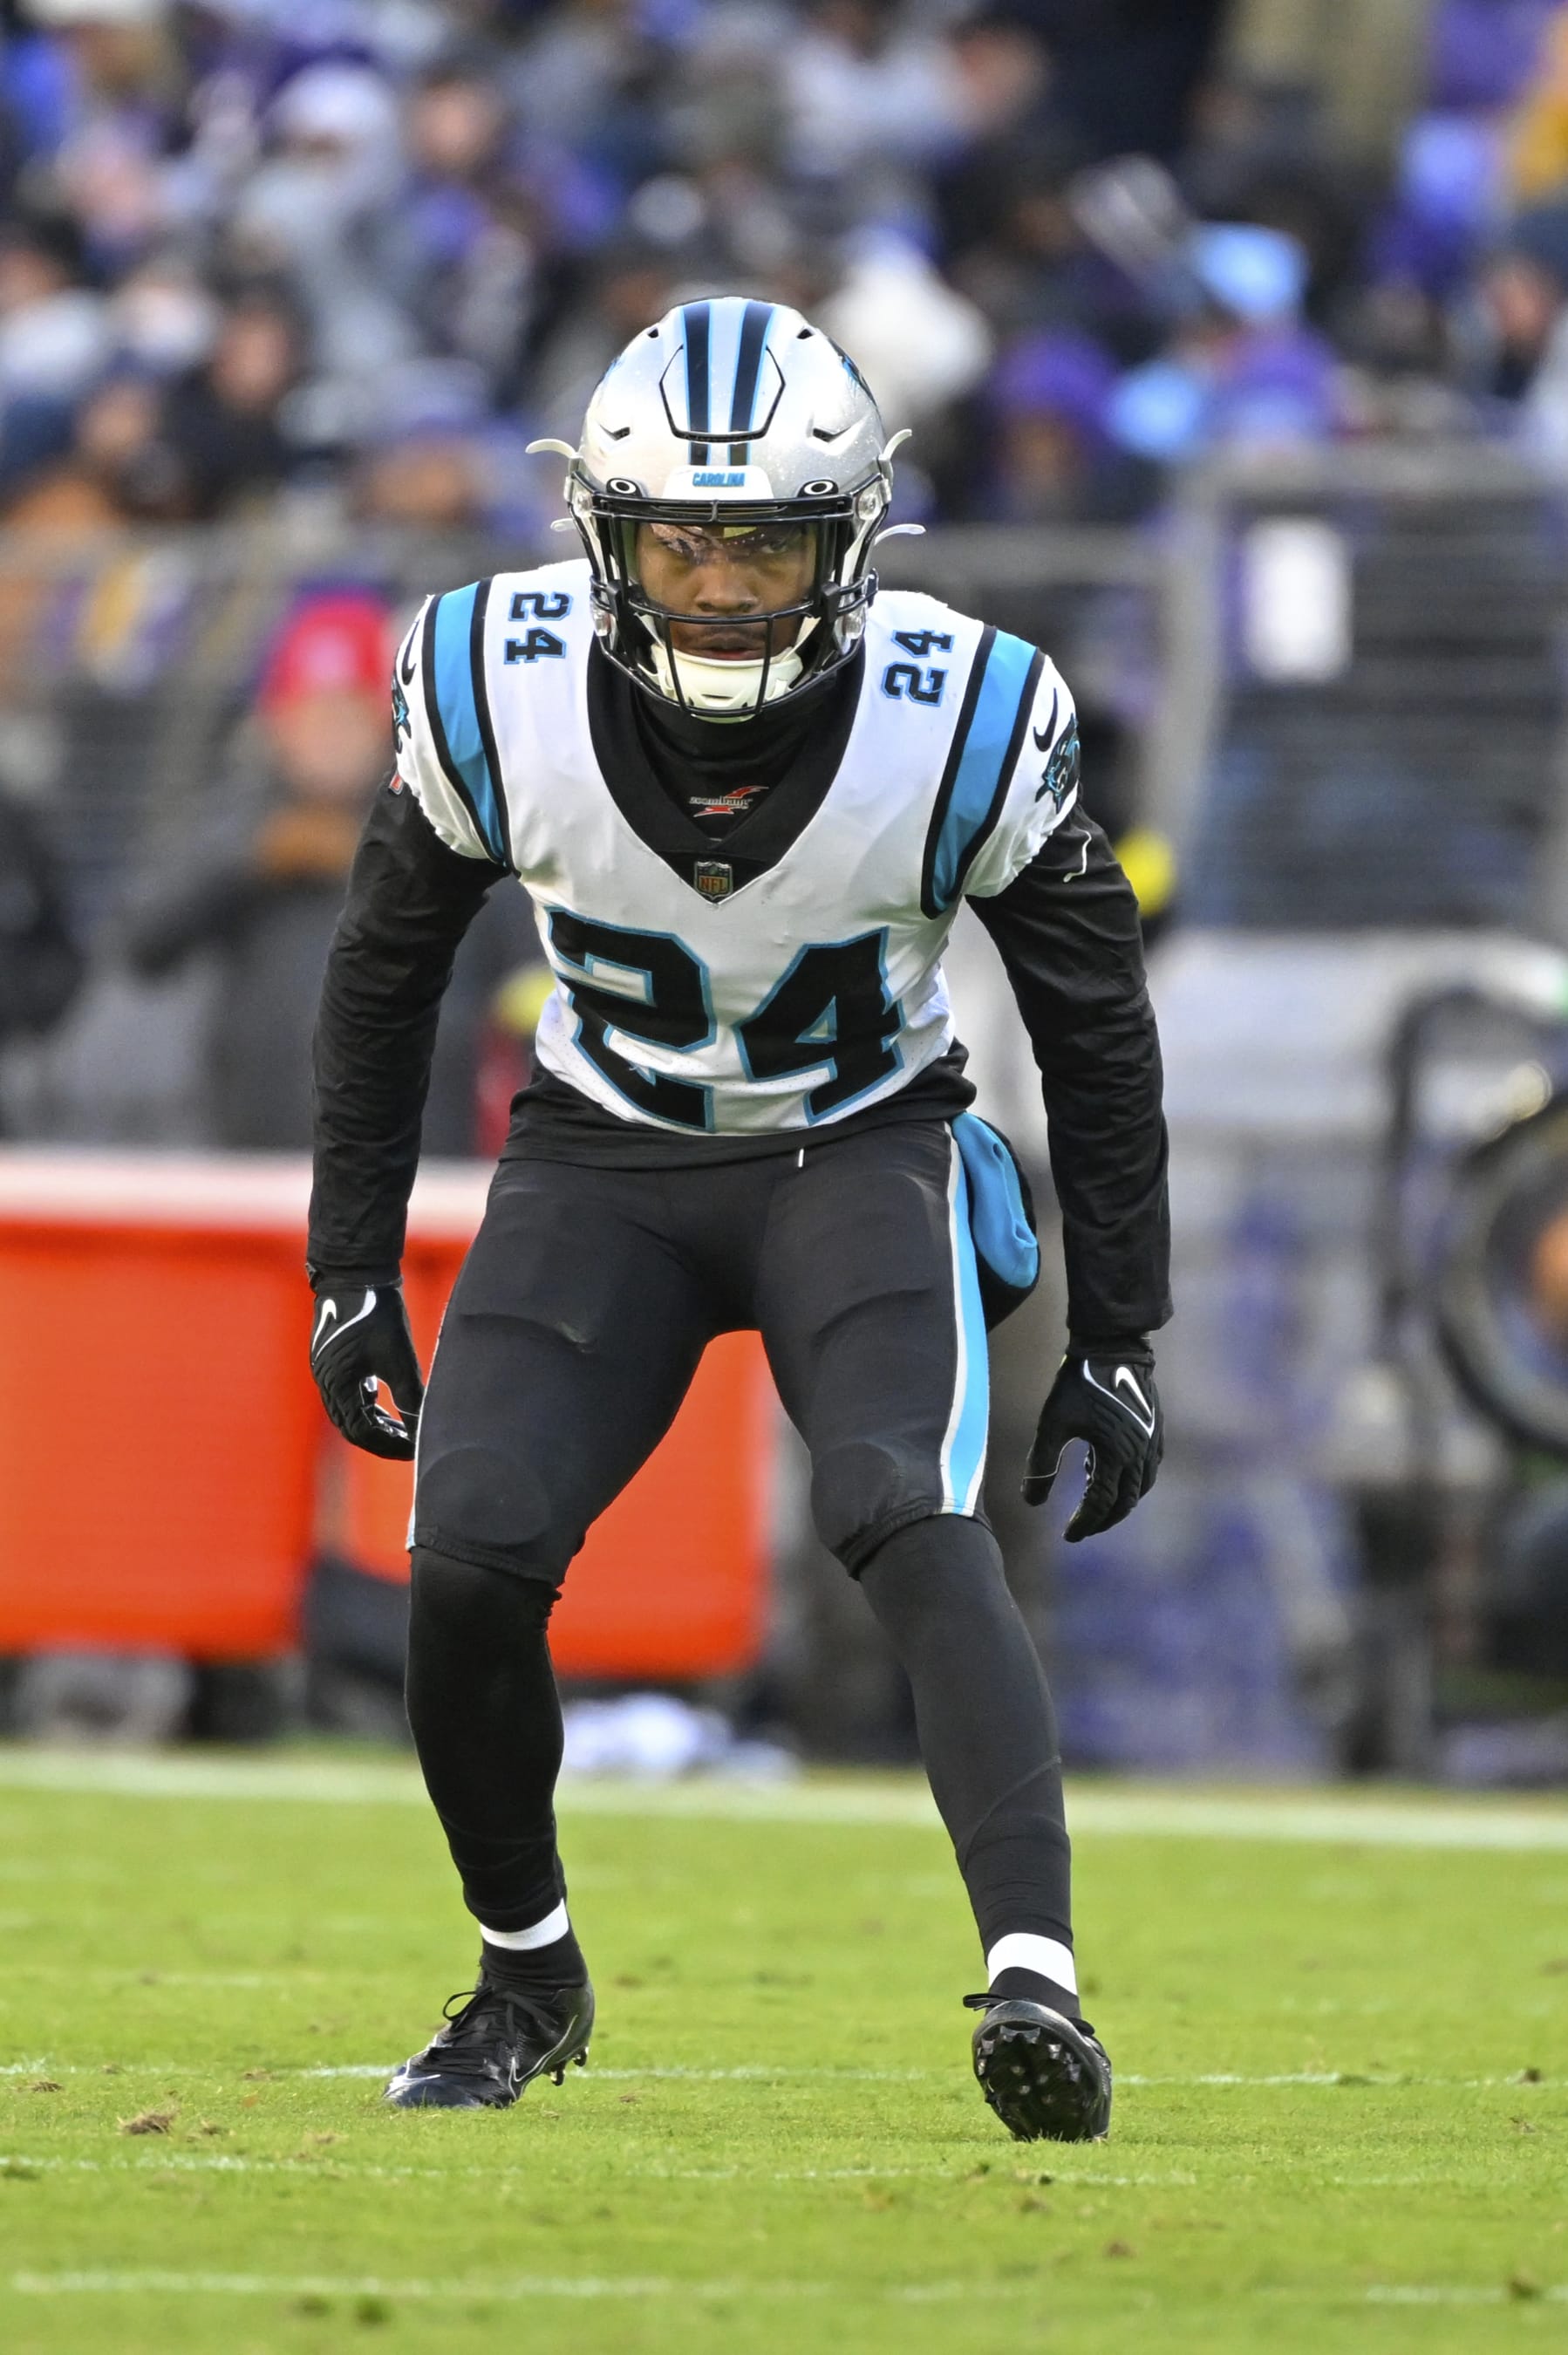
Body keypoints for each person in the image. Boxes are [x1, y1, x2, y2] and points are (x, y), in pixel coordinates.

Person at [306, 297, 1169, 2142]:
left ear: (846, 541)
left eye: (761, 544)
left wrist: (1120, 1327)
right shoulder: (492, 678)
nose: (713, 589)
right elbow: (382, 976)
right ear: (602, 536)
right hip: (601, 1158)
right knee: (466, 1553)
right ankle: (524, 1974)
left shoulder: (961, 712)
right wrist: (346, 1266)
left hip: (859, 1148)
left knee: (904, 1507)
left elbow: (1094, 1016)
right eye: (678, 543)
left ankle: (1035, 1979)